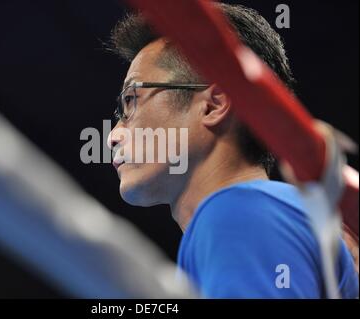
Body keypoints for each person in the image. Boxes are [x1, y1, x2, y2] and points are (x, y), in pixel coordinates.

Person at [106, 3, 358, 298]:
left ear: (214, 105)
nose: (112, 136)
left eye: (130, 101)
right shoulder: (262, 216)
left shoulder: (236, 214)